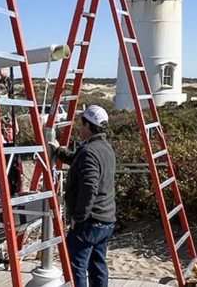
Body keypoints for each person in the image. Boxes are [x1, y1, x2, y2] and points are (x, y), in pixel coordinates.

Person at [49, 105, 116, 287]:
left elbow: (89, 187)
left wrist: (79, 217)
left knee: (76, 267)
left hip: (89, 222)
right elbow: (78, 161)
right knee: (97, 266)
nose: (79, 127)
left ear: (87, 125)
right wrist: (59, 151)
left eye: (81, 123)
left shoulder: (89, 151)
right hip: (106, 219)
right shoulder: (104, 148)